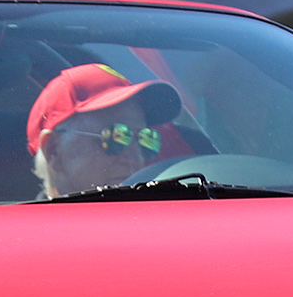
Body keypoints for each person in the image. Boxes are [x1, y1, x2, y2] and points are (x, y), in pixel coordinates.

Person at [27, 63, 184, 198]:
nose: (135, 159)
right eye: (116, 137)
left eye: (146, 139)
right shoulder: (23, 233)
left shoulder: (166, 226)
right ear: (53, 151)